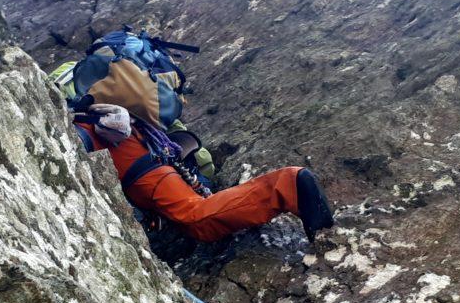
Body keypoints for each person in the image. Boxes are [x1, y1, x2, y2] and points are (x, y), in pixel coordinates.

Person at [73, 104, 334, 243]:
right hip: (153, 163)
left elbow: (75, 143)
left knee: (196, 218)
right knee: (196, 212)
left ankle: (287, 186)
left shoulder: (81, 122)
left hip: (148, 174)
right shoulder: (100, 111)